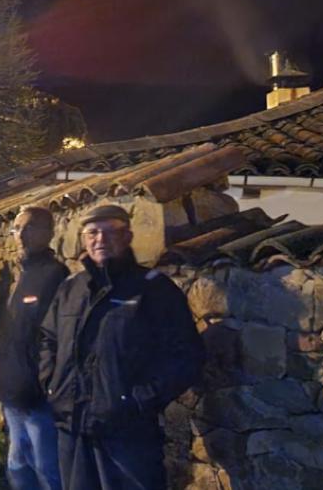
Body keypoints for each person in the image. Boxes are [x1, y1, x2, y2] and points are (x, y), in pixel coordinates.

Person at [40, 204, 203, 490]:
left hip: (128, 433)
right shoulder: (71, 288)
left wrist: (141, 400)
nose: (100, 240)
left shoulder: (153, 289)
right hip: (73, 426)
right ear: (83, 238)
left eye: (109, 232)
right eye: (92, 233)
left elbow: (186, 354)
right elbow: (48, 339)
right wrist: (52, 385)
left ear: (127, 236)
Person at [0, 206, 67, 490]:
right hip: (13, 387)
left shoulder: (54, 276)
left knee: (47, 469)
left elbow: (57, 338)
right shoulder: (16, 273)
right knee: (18, 465)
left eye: (30, 227)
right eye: (17, 227)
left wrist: (46, 383)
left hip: (38, 395)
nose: (21, 234)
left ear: (49, 233)